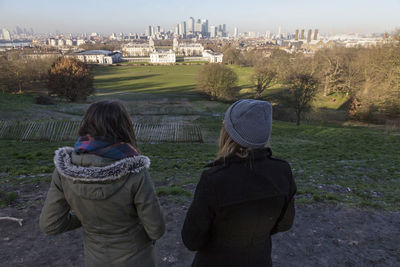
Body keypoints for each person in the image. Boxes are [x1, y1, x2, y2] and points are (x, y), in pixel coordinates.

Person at [40, 100, 165, 267]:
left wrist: (86, 217)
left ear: (86, 123)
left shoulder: (64, 171)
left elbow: (50, 224)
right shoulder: (136, 172)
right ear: (124, 127)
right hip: (137, 258)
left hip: (95, 260)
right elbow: (156, 229)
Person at [181, 99, 296, 267]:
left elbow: (191, 240)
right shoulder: (282, 171)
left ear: (228, 133)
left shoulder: (213, 179)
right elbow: (285, 223)